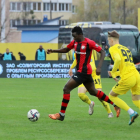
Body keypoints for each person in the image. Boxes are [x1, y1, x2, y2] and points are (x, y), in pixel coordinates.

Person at [47, 26, 120, 121]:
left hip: (83, 72)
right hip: (84, 72)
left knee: (66, 88)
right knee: (93, 92)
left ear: (80, 34)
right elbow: (66, 49)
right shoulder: (75, 42)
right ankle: (115, 105)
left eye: (74, 36)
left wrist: (99, 67)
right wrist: (53, 51)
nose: (73, 38)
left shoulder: (89, 43)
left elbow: (102, 52)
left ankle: (61, 115)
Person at [108, 30, 140, 125]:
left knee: (112, 95)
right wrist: (116, 73)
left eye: (108, 41)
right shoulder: (125, 49)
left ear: (112, 40)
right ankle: (132, 113)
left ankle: (132, 113)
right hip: (136, 75)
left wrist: (113, 72)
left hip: (128, 78)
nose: (109, 43)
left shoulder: (113, 48)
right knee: (136, 99)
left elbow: (117, 59)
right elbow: (126, 67)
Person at [69, 52, 114, 118]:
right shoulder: (76, 51)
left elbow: (100, 51)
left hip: (94, 74)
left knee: (99, 96)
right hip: (84, 74)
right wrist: (71, 68)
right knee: (81, 94)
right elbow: (76, 60)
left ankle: (110, 112)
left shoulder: (88, 45)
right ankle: (90, 103)